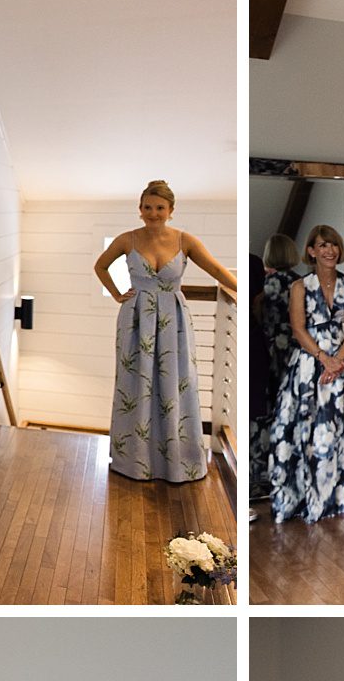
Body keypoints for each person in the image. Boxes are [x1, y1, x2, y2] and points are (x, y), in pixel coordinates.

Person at [94, 180, 237, 483]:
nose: (153, 213)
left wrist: (243, 290)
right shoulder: (127, 239)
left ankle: (178, 463)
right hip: (135, 320)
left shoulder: (185, 240)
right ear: (140, 209)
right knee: (135, 386)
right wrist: (119, 294)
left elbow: (215, 270)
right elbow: (101, 266)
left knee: (176, 384)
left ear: (171, 211)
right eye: (148, 207)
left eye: (160, 208)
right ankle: (134, 460)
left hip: (174, 320)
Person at [265, 225, 344, 523]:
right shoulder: (300, 287)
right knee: (310, 427)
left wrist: (338, 360)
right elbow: (297, 328)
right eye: (323, 245)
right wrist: (323, 358)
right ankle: (310, 494)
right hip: (309, 363)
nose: (330, 250)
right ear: (311, 251)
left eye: (334, 245)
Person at [250, 234, 304, 503]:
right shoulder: (301, 282)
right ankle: (290, 470)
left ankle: (262, 474)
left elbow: (261, 316)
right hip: (296, 351)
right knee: (291, 410)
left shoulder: (268, 284)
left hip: (269, 350)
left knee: (265, 409)